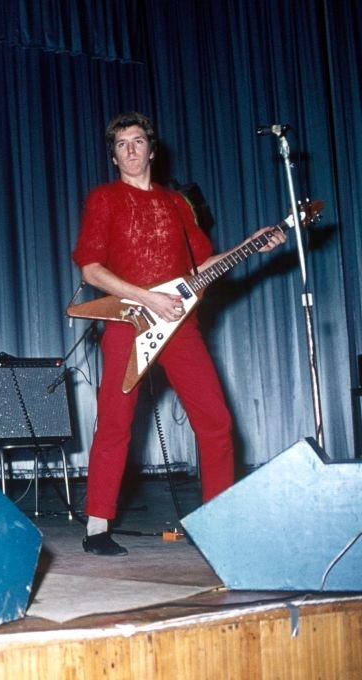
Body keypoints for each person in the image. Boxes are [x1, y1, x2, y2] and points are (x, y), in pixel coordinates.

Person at [72, 112, 286, 556]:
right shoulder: (104, 199)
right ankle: (96, 527)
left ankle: (218, 520)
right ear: (114, 157)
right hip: (128, 319)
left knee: (217, 420)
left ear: (153, 149)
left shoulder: (176, 204)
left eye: (138, 141)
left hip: (180, 325)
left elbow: (200, 270)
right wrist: (148, 299)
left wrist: (251, 243)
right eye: (122, 145)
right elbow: (92, 268)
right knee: (115, 421)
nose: (131, 150)